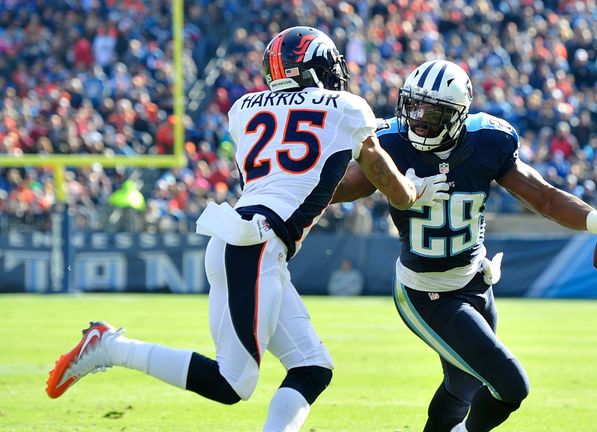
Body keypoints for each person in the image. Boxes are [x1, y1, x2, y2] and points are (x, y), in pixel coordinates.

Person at [45, 27, 448, 432]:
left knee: (311, 367)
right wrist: (416, 191)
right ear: (319, 69)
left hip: (242, 239)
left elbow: (308, 178)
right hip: (256, 246)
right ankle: (111, 346)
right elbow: (386, 181)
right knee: (231, 383)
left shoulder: (244, 108)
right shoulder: (346, 106)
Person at [332, 59, 597, 432]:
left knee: (461, 386)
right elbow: (336, 189)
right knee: (510, 385)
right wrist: (398, 187)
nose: (418, 119)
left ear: (457, 115)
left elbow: (544, 198)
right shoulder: (389, 144)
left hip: (475, 281)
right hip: (427, 293)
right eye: (413, 106)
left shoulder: (487, 141)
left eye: (432, 112)